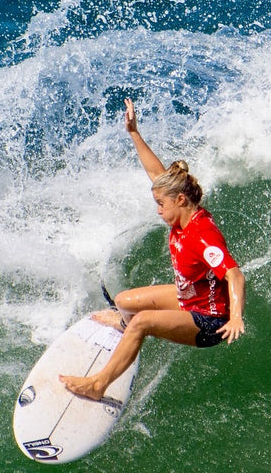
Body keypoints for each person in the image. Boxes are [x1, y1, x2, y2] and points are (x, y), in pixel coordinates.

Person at [60, 98, 246, 401]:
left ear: (180, 200)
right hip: (190, 296)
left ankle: (98, 385)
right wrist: (133, 132)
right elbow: (156, 174)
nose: (158, 210)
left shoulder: (201, 236)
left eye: (161, 204)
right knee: (124, 301)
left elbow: (234, 275)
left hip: (210, 320)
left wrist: (236, 316)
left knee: (143, 320)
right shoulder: (181, 215)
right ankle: (125, 326)